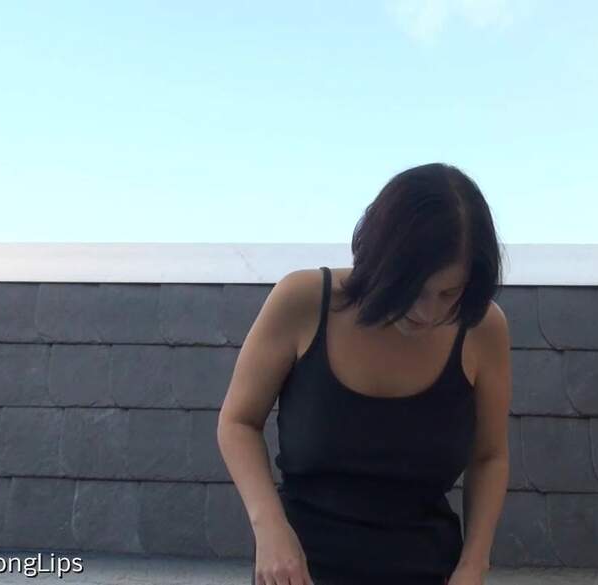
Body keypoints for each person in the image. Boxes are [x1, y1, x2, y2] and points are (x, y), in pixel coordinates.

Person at [217, 162, 511, 585]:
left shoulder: (483, 328)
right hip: (299, 570)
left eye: (449, 292)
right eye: (413, 288)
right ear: (380, 260)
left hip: (430, 569)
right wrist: (269, 528)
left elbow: (489, 456)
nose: (428, 312)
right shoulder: (302, 301)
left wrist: (473, 565)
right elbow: (238, 422)